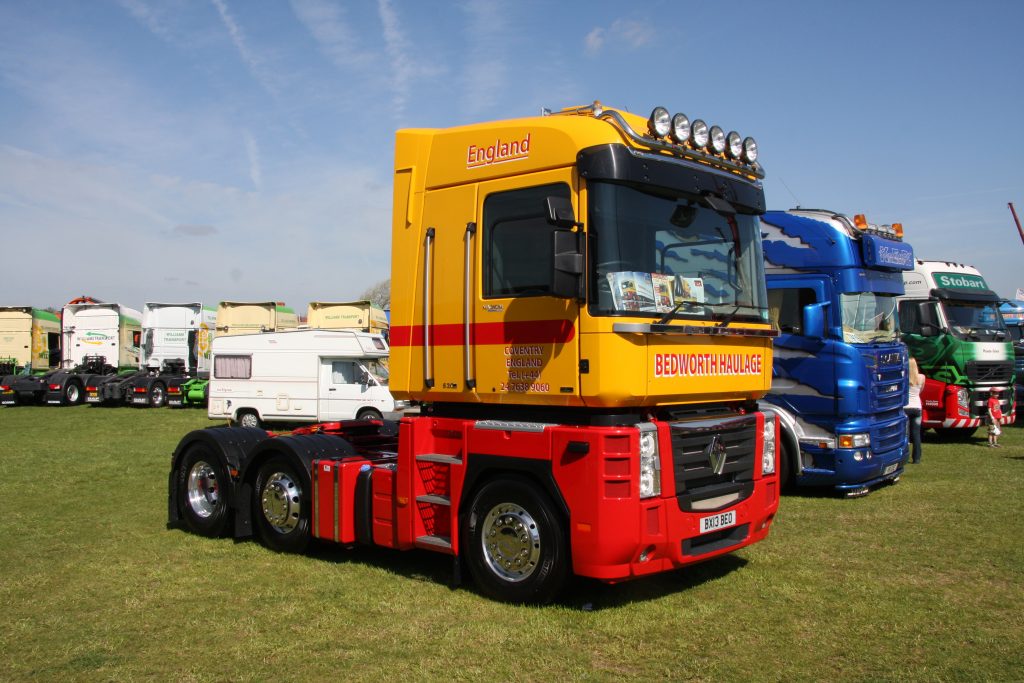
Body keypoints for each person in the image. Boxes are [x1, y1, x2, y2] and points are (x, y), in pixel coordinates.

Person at [905, 357, 925, 463]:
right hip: (917, 407)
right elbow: (921, 390)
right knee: (916, 434)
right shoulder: (921, 377)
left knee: (905, 434)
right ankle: (916, 458)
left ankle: (904, 456)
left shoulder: (903, 377)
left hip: (905, 408)